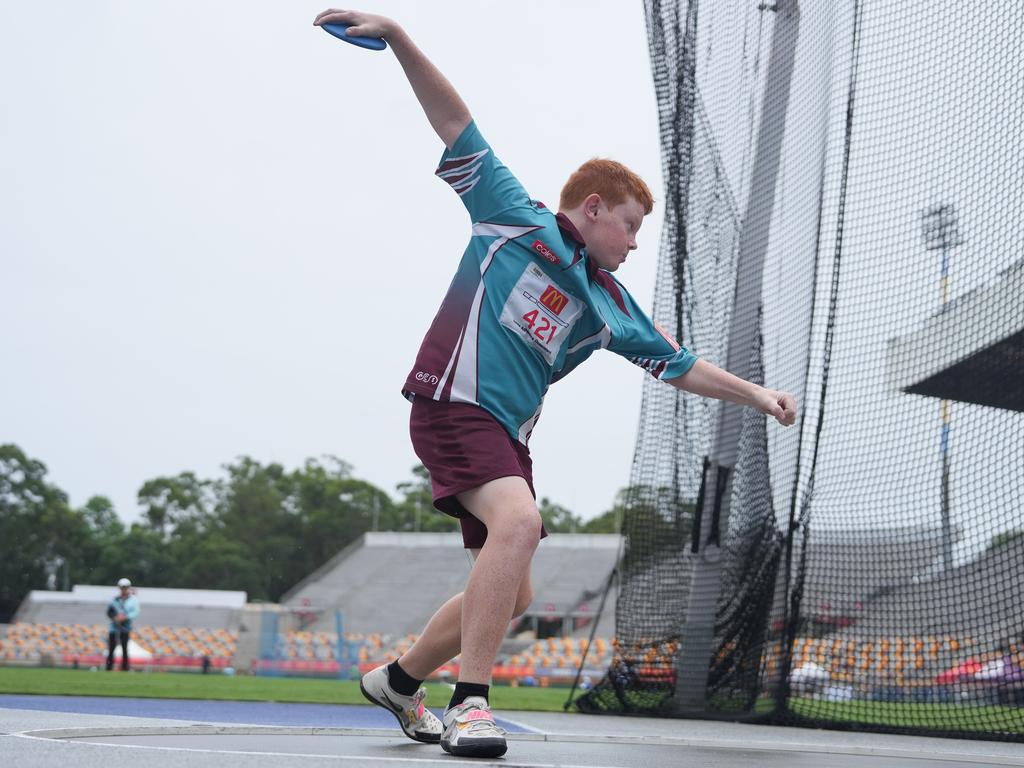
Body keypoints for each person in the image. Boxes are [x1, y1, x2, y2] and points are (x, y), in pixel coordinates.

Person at [312, 9, 798, 759]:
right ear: (594, 208)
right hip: (452, 403)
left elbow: (682, 362)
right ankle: (472, 704)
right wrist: (400, 38)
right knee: (519, 525)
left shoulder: (609, 305)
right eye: (632, 225)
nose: (637, 242)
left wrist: (758, 396)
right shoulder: (514, 218)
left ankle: (401, 682)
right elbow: (453, 120)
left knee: (517, 589)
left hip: (505, 435)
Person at [105, 577, 140, 671]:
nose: (123, 589)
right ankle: (108, 667)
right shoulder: (114, 599)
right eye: (122, 587)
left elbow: (135, 612)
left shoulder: (133, 600)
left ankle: (125, 668)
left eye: (125, 587)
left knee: (125, 648)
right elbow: (109, 611)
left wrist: (125, 617)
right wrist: (115, 617)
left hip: (125, 627)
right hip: (114, 627)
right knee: (111, 648)